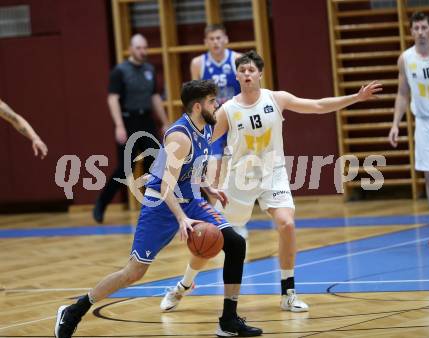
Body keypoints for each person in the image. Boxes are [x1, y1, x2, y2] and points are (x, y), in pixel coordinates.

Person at [162, 50, 381, 313]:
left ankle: (288, 292)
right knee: (211, 238)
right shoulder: (227, 110)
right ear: (237, 76)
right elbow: (201, 141)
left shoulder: (277, 99)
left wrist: (356, 97)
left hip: (273, 173)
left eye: (251, 70)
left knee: (287, 224)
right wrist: (181, 161)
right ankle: (183, 285)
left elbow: (319, 105)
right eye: (242, 70)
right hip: (239, 180)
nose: (246, 74)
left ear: (260, 74)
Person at [54, 80, 262, 338]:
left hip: (191, 198)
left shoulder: (206, 127)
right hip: (161, 203)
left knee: (235, 243)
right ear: (197, 106)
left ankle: (228, 320)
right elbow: (165, 184)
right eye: (211, 101)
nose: (216, 104)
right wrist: (181, 217)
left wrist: (208, 188)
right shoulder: (179, 136)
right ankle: (75, 310)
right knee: (134, 272)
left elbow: (193, 169)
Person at [93, 34, 169, 223]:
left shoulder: (149, 70)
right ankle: (101, 204)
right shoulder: (120, 71)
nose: (143, 51)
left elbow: (154, 97)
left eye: (145, 48)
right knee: (125, 169)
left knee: (157, 164)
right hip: (128, 121)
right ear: (130, 49)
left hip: (147, 120)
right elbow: (112, 99)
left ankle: (157, 208)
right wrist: (119, 126)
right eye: (139, 48)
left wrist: (165, 122)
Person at [389, 12, 429, 248]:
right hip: (425, 123)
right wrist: (395, 124)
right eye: (416, 28)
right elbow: (402, 93)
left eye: (423, 28)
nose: (420, 32)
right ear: (411, 32)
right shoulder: (405, 59)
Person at [190, 24, 246, 236]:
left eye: (218, 38)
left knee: (237, 175)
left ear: (226, 39)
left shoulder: (237, 59)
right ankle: (220, 221)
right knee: (213, 175)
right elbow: (196, 98)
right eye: (211, 38)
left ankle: (238, 221)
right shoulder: (198, 63)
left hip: (235, 123)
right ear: (206, 42)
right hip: (212, 125)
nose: (215, 42)